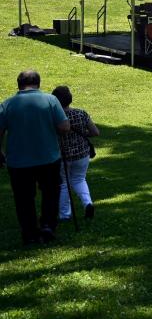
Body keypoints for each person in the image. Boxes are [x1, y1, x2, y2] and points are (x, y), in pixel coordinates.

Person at [0, 70, 70, 245]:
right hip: (48, 157)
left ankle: (30, 232)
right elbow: (64, 127)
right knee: (50, 192)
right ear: (38, 83)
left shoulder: (7, 104)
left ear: (19, 84)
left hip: (18, 160)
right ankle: (47, 225)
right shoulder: (51, 100)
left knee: (24, 198)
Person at [51, 86, 99, 221]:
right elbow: (95, 132)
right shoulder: (81, 113)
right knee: (79, 179)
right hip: (82, 154)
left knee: (64, 183)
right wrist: (83, 134)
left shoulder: (54, 118)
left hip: (62, 156)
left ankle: (65, 214)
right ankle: (88, 203)